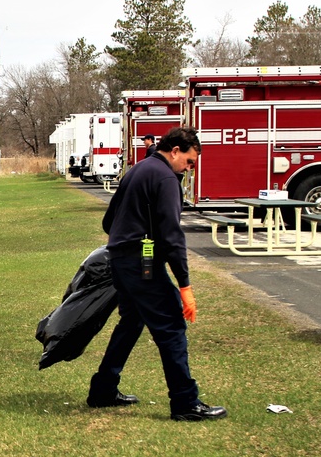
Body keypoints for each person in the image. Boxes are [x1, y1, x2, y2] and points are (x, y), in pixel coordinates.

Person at [88, 126, 227, 422]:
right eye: (189, 163)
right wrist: (185, 285)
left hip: (122, 258)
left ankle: (103, 389)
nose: (188, 170)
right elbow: (171, 236)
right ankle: (185, 402)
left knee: (132, 321)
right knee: (171, 326)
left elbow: (108, 221)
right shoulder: (165, 178)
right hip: (142, 260)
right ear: (175, 151)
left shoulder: (138, 169)